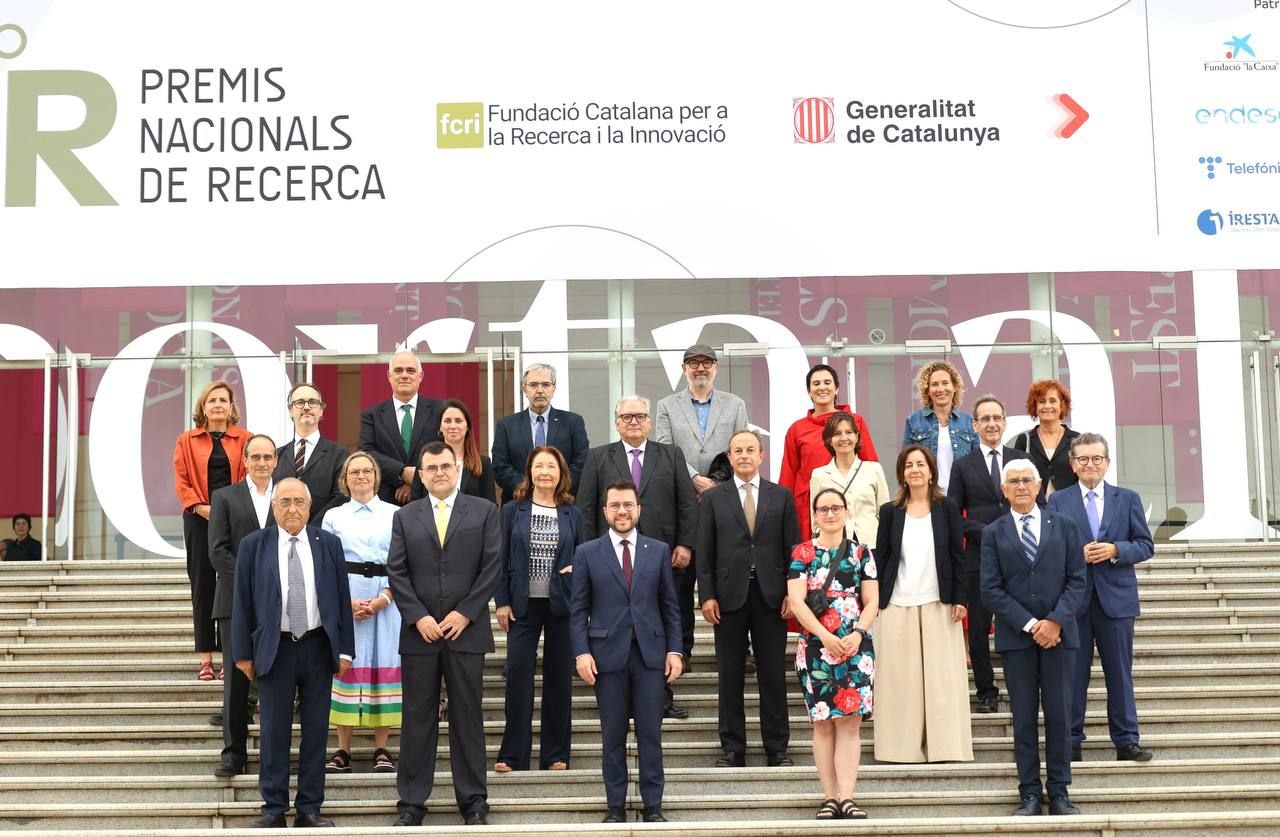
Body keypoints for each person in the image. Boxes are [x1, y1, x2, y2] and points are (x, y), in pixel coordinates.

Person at [386, 441, 500, 827]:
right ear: (420, 474)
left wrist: (466, 614)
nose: (439, 473)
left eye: (445, 466)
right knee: (418, 717)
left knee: (467, 716)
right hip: (421, 634)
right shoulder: (405, 516)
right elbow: (397, 572)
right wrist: (418, 617)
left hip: (466, 632)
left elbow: (492, 567)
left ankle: (473, 800)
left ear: (458, 469)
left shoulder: (484, 511)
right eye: (431, 468)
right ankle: (412, 802)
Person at [231, 478, 355, 829]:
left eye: (299, 501)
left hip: (317, 646)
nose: (292, 509)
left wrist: (346, 649)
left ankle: (309, 808)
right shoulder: (254, 545)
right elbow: (241, 602)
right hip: (275, 649)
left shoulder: (328, 544)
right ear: (274, 507)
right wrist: (242, 653)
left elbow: (340, 599)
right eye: (284, 501)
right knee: (273, 732)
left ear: (310, 506)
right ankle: (273, 807)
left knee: (316, 732)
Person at [576, 395, 697, 720]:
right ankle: (620, 699)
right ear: (616, 422)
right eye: (626, 416)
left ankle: (663, 697)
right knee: (618, 626)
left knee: (661, 625)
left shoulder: (671, 455)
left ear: (649, 421)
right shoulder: (598, 457)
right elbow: (586, 508)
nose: (633, 421)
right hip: (610, 562)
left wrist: (685, 544)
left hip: (663, 558)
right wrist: (589, 552)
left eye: (640, 416)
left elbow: (687, 503)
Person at [570, 481, 684, 824]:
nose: (622, 511)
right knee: (613, 735)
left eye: (628, 505)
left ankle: (653, 806)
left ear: (639, 509)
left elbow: (670, 606)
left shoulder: (658, 550)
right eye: (615, 505)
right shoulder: (587, 552)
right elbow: (578, 610)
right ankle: (615, 807)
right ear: (605, 511)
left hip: (650, 655)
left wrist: (675, 650)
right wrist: (581, 653)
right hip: (606, 656)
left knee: (651, 734)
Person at [981, 460, 1086, 816]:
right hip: (1017, 639)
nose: (1021, 486)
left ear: (1039, 486)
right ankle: (1028, 793)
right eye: (1014, 481)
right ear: (1004, 489)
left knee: (1059, 715)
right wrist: (1030, 624)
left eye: (1027, 480)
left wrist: (1054, 622)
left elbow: (1077, 580)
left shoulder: (1067, 527)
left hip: (1060, 637)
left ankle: (1059, 792)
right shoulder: (993, 532)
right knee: (1024, 719)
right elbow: (990, 590)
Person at [1046, 433, 1155, 763]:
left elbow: (1145, 545)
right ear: (1073, 465)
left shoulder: (1128, 498)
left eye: (1096, 459)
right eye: (1083, 459)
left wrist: (1115, 550)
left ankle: (1126, 740)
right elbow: (1049, 548)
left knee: (1120, 673)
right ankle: (1072, 740)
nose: (1090, 465)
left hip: (1116, 599)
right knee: (1072, 675)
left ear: (1107, 463)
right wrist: (1073, 555)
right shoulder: (1058, 501)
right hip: (1074, 600)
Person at [695, 429, 799, 768]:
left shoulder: (781, 496)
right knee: (730, 674)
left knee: (772, 674)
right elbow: (705, 551)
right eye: (737, 450)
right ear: (729, 456)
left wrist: (792, 592)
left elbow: (793, 550)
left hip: (771, 595)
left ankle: (777, 748)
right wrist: (707, 595)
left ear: (761, 456)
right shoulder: (713, 498)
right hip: (728, 597)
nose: (743, 456)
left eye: (750, 450)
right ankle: (732, 749)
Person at [872, 444, 972, 763]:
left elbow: (959, 554)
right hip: (897, 602)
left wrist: (960, 597)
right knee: (900, 679)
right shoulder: (890, 511)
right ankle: (899, 748)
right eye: (908, 465)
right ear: (902, 473)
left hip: (939, 601)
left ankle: (947, 747)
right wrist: (876, 600)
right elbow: (882, 556)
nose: (915, 470)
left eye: (921, 464)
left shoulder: (948, 508)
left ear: (931, 471)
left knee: (944, 679)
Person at [655, 343, 749, 671]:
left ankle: (736, 650)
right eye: (693, 363)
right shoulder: (667, 405)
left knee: (728, 575)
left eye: (706, 363)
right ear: (684, 369)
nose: (700, 369)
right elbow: (665, 449)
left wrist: (717, 483)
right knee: (680, 580)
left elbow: (741, 448)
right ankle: (682, 649)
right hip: (682, 501)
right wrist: (696, 479)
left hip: (724, 499)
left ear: (716, 368)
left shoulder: (735, 404)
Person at [786, 488, 879, 820]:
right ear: (814, 515)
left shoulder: (861, 553)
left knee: (851, 723)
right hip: (815, 646)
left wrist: (857, 633)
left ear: (846, 511)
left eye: (835, 508)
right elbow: (796, 602)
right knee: (823, 723)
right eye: (822, 509)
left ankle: (848, 797)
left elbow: (872, 601)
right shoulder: (802, 553)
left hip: (856, 648)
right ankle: (829, 796)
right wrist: (824, 635)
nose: (829, 514)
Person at [493, 446, 584, 772]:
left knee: (559, 678)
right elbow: (498, 560)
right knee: (518, 674)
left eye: (551, 467)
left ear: (561, 474)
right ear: (529, 472)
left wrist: (578, 570)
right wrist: (501, 602)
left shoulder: (573, 513)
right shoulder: (512, 510)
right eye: (539, 466)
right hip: (522, 604)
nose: (545, 472)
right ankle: (513, 755)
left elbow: (585, 557)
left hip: (563, 604)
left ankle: (555, 754)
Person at [946, 395, 1031, 713]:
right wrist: (985, 532)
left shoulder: (1021, 459)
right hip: (979, 558)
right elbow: (954, 514)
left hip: (1021, 558)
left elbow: (1037, 504)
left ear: (1005, 422)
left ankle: (1021, 686)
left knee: (1018, 623)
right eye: (985, 418)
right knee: (979, 630)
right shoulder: (963, 465)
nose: (992, 423)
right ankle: (986, 691)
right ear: (975, 425)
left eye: (997, 417)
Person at [322, 451, 402, 775]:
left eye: (366, 471)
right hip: (348, 595)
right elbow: (327, 562)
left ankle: (382, 747)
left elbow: (402, 559)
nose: (361, 476)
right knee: (347, 666)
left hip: (387, 597)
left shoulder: (395, 514)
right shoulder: (334, 517)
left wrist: (385, 597)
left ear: (376, 476)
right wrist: (347, 601)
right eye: (354, 472)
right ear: (345, 478)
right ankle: (343, 749)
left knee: (384, 665)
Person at [208, 434, 278, 779]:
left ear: (276, 462)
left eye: (268, 457)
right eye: (256, 457)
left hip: (280, 603)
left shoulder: (288, 495)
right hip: (235, 601)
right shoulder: (224, 497)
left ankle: (272, 754)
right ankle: (234, 753)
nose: (262, 463)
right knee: (236, 683)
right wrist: (253, 583)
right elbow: (218, 551)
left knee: (275, 679)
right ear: (245, 461)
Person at [175, 380, 251, 681]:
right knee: (203, 586)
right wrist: (200, 507)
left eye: (223, 400)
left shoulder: (245, 438)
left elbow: (248, 475)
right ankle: (206, 659)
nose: (218, 405)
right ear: (203, 408)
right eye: (212, 400)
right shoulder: (186, 440)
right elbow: (181, 480)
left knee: (234, 583)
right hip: (198, 517)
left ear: (231, 407)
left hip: (236, 518)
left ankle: (231, 655)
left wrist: (228, 511)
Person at [779, 363, 879, 540]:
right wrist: (782, 512)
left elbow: (869, 465)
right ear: (809, 391)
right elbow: (788, 474)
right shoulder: (797, 429)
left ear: (837, 388)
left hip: (852, 508)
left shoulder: (856, 422)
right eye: (816, 384)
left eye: (827, 382)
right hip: (809, 508)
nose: (822, 387)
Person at [491, 363, 590, 504]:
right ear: (524, 389)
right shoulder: (506, 425)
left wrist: (556, 486)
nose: (540, 390)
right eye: (533, 385)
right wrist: (529, 487)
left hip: (563, 502)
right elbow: (500, 466)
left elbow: (581, 463)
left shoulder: (572, 422)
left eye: (546, 384)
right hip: (518, 503)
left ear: (554, 388)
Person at [358, 351, 443, 506]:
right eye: (398, 370)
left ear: (420, 376)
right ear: (389, 376)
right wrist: (401, 472)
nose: (404, 375)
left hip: (431, 500)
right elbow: (367, 453)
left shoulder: (440, 410)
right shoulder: (371, 415)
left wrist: (415, 480)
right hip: (387, 501)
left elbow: (444, 450)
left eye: (410, 370)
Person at [809, 413, 889, 544]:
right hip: (834, 547)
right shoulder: (819, 475)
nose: (843, 438)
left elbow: (885, 515)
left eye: (849, 432)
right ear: (829, 440)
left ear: (857, 436)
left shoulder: (874, 469)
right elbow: (816, 522)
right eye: (837, 434)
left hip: (872, 545)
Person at [274, 383, 347, 526]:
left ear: (321, 410)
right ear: (290, 410)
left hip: (322, 533)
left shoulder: (339, 455)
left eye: (313, 402)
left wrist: (309, 528)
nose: (306, 407)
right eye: (300, 403)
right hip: (282, 534)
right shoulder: (277, 455)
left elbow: (340, 497)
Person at [900, 361, 977, 495]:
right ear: (927, 391)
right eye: (934, 384)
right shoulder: (913, 421)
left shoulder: (969, 422)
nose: (941, 389)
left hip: (962, 496)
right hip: (927, 496)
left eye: (945, 383)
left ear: (954, 387)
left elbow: (977, 465)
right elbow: (905, 462)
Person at [411, 399, 496, 503]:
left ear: (468, 426)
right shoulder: (425, 461)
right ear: (440, 427)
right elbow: (415, 504)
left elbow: (490, 506)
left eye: (458, 421)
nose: (453, 426)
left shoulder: (483, 464)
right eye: (447, 421)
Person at [1012, 379, 1080, 505]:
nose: (1047, 406)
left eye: (1053, 401)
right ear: (1035, 406)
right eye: (1042, 401)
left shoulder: (1077, 440)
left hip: (1069, 510)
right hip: (1035, 511)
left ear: (1062, 405)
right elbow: (1016, 477)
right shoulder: (1024, 440)